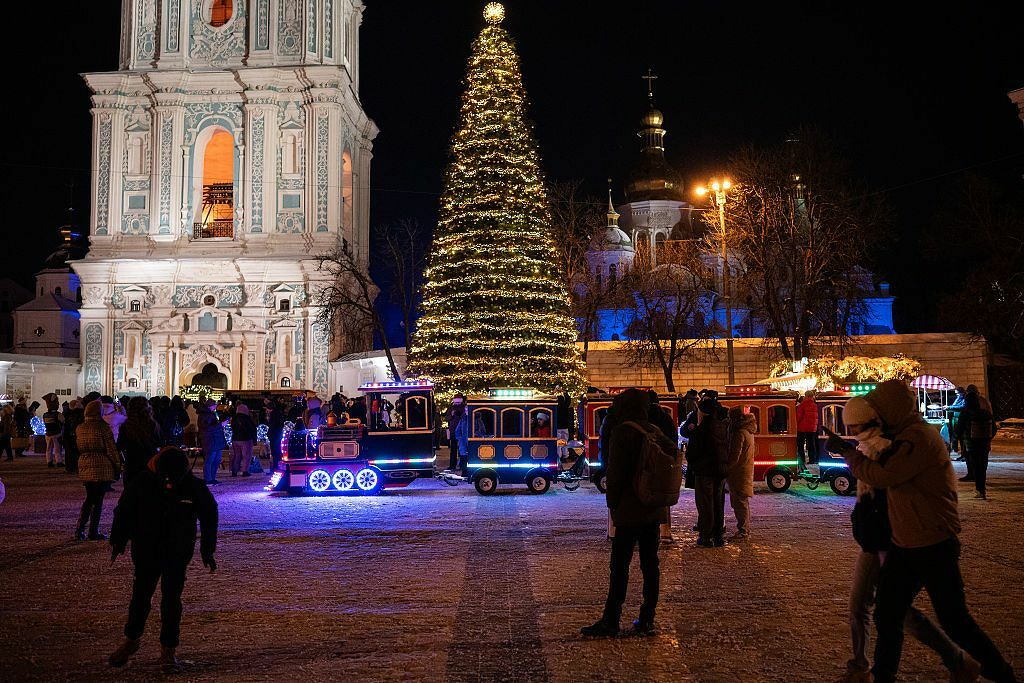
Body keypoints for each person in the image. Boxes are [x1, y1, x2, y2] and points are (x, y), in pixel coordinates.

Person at [830, 380, 1016, 683]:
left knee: (955, 621)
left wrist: (851, 455)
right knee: (888, 615)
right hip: (906, 545)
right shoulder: (901, 437)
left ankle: (1001, 674)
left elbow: (884, 475)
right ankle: (884, 676)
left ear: (892, 409)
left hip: (933, 543)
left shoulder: (918, 439)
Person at [108, 447, 218, 673]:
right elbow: (124, 511)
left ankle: (168, 649)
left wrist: (207, 550)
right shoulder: (143, 482)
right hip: (147, 548)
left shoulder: (192, 485)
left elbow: (209, 515)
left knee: (171, 600)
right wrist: (118, 541)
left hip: (177, 551)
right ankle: (132, 639)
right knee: (141, 596)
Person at [581, 389, 675, 638]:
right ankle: (647, 618)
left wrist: (612, 503)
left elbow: (615, 474)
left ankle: (611, 619)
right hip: (652, 507)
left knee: (620, 565)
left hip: (629, 509)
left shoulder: (622, 431)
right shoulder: (654, 429)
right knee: (650, 564)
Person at [75, 400, 122, 541]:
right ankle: (93, 530)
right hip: (102, 465)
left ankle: (80, 528)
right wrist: (117, 465)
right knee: (98, 500)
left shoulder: (80, 428)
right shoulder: (103, 427)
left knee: (89, 498)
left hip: (85, 463)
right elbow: (111, 449)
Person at [686, 397, 730, 547]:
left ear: (702, 413)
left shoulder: (702, 429)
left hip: (705, 471)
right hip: (721, 470)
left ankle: (706, 536)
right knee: (718, 503)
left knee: (705, 504)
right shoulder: (722, 426)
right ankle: (718, 535)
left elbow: (692, 453)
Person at [955, 392, 996, 499]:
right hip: (984, 444)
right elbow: (994, 429)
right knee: (983, 466)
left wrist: (959, 439)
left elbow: (959, 429)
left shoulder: (965, 413)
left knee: (976, 466)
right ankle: (982, 488)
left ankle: (980, 490)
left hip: (971, 445)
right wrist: (988, 439)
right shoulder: (986, 413)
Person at [726, 405, 756, 540]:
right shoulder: (748, 431)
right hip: (745, 469)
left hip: (739, 472)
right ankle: (744, 529)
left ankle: (743, 531)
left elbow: (734, 455)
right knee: (742, 501)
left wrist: (726, 468)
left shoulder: (739, 433)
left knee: (739, 502)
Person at [118, 396, 161, 487]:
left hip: (132, 463)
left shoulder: (126, 426)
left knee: (131, 492)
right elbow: (159, 442)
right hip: (150, 463)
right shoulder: (153, 425)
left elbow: (120, 445)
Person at [197, 399, 226, 485]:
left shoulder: (212, 413)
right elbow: (207, 428)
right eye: (214, 405)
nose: (216, 407)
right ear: (210, 406)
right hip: (209, 439)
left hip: (216, 439)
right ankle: (208, 479)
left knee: (217, 460)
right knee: (210, 460)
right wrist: (220, 425)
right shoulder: (204, 415)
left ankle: (212, 478)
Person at [230, 403, 257, 477]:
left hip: (235, 439)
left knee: (237, 455)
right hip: (246, 439)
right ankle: (245, 471)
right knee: (246, 456)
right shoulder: (247, 418)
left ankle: (234, 471)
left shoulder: (234, 418)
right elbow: (252, 429)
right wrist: (254, 439)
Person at [796, 390, 819, 470]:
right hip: (812, 428)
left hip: (802, 427)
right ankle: (812, 459)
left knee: (801, 444)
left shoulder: (802, 405)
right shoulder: (816, 405)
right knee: (811, 444)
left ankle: (802, 459)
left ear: (805, 396)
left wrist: (796, 424)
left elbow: (798, 417)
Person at [445, 394, 467, 472]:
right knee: (453, 449)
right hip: (453, 431)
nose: (457, 404)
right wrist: (451, 415)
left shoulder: (464, 407)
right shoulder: (451, 407)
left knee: (462, 449)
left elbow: (466, 417)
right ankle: (452, 465)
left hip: (462, 431)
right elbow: (447, 418)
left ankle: (462, 465)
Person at [42, 393, 64, 468]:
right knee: (57, 449)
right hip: (57, 433)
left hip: (48, 434)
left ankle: (49, 462)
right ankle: (59, 462)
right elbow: (63, 421)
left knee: (48, 449)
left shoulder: (45, 414)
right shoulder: (58, 414)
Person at [62, 399, 85, 474]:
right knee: (76, 453)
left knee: (69, 453)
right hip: (76, 435)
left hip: (68, 435)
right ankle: (76, 468)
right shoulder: (81, 414)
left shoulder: (66, 414)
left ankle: (69, 467)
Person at [266, 396, 285, 470]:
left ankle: (276, 467)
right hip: (278, 434)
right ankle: (277, 466)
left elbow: (272, 425)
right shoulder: (278, 413)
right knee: (277, 451)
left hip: (274, 435)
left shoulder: (273, 414)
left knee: (275, 452)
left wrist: (269, 433)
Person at [946, 386, 966, 459]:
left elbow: (961, 407)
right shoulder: (959, 398)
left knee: (962, 438)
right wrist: (948, 407)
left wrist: (949, 407)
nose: (957, 395)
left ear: (962, 392)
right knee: (958, 436)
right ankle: (962, 454)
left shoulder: (965, 399)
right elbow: (955, 405)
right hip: (956, 419)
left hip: (961, 419)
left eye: (957, 393)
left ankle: (964, 455)